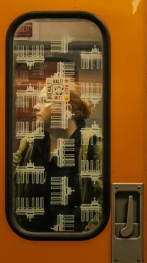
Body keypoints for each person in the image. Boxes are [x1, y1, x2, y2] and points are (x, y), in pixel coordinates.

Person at [12, 86, 102, 233]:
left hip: (75, 243)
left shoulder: (90, 145)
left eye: (44, 101)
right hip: (31, 241)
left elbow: (102, 200)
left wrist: (87, 236)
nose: (35, 107)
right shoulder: (30, 144)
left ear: (66, 109)